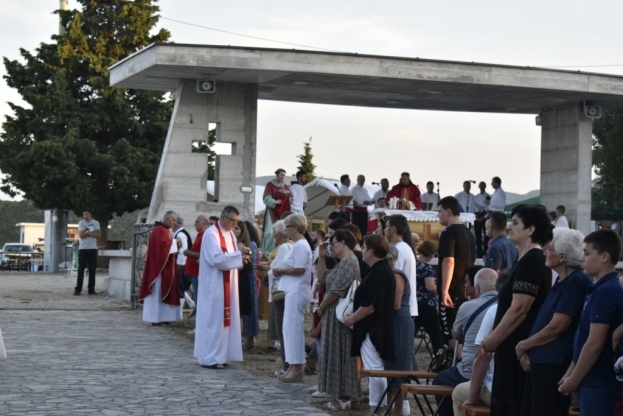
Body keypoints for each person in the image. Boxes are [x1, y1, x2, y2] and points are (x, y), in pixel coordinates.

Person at [480, 205, 553, 416]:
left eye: (515, 223)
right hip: (511, 347)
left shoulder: (532, 261)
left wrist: (494, 338)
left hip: (516, 347)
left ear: (530, 230)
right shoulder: (526, 259)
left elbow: (520, 308)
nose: (510, 227)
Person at [514, 228, 592, 416]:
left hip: (554, 364)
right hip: (542, 362)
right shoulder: (562, 281)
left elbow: (557, 326)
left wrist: (524, 345)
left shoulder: (576, 281)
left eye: (551, 250)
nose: (546, 252)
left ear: (563, 256)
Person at [559, 229, 623, 414]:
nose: (581, 259)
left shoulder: (607, 292)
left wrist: (574, 379)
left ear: (604, 257)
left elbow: (595, 342)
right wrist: (569, 373)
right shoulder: (599, 289)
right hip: (591, 380)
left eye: (586, 253)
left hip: (598, 382)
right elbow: (584, 338)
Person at [433, 268, 498, 416]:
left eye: (467, 283)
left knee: (440, 379)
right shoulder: (506, 306)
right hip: (494, 374)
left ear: (478, 288)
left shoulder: (467, 306)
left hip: (472, 372)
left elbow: (456, 335)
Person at [194, 206, 252, 369]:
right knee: (214, 319)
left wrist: (242, 257)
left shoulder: (230, 235)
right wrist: (238, 256)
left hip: (229, 283)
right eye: (232, 220)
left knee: (226, 319)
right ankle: (210, 357)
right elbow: (217, 259)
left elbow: (232, 257)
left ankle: (222, 355)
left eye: (236, 221)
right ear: (223, 217)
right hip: (214, 284)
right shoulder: (211, 234)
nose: (235, 224)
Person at [344, 234, 396, 415]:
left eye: (364, 247)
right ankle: (377, 407)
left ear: (371, 251)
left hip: (373, 328)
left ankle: (377, 408)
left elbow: (371, 306)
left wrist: (352, 319)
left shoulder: (379, 273)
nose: (362, 250)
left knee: (374, 369)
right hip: (373, 325)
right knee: (373, 367)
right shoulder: (379, 270)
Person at [315, 229, 360, 411]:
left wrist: (322, 306)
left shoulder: (350, 262)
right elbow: (322, 278)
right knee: (335, 353)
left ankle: (344, 396)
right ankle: (345, 395)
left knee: (340, 355)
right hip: (335, 315)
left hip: (340, 316)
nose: (331, 247)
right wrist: (322, 256)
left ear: (343, 243)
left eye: (333, 243)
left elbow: (336, 291)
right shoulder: (342, 263)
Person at [272, 214, 313, 382]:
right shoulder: (298, 245)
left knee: (293, 329)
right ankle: (292, 366)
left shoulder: (301, 245)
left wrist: (281, 270)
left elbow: (300, 269)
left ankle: (297, 367)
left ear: (295, 228)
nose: (286, 230)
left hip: (297, 290)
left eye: (288, 227)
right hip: (292, 290)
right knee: (288, 329)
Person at [254, 220, 292, 377]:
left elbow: (279, 269)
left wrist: (269, 271)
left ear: (278, 233)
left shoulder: (284, 247)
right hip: (285, 291)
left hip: (280, 291)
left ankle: (286, 364)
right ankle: (287, 363)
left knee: (283, 329)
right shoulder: (290, 245)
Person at [437, 196, 477, 344]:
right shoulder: (468, 233)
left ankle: (458, 364)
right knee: (461, 333)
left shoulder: (448, 232)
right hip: (464, 289)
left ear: (448, 211)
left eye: (439, 211)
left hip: (452, 291)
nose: (438, 215)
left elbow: (449, 262)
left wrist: (444, 290)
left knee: (450, 335)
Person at [384, 244, 415, 416]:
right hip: (394, 322)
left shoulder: (397, 276)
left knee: (398, 368)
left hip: (399, 323)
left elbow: (395, 304)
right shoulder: (390, 275)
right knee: (391, 369)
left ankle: (397, 410)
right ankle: (391, 409)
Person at [139, 211, 182, 325]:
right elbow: (163, 246)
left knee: (164, 291)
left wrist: (174, 243)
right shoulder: (159, 230)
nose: (174, 223)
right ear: (166, 218)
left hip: (165, 266)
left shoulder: (164, 230)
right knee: (157, 292)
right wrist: (175, 241)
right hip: (158, 268)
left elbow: (166, 245)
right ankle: (155, 317)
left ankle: (163, 316)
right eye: (173, 220)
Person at [183, 215, 210, 323]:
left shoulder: (205, 236)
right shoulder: (199, 235)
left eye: (197, 222)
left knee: (199, 298)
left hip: (197, 272)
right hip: (192, 272)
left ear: (203, 223)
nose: (194, 224)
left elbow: (203, 254)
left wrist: (189, 253)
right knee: (196, 297)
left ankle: (200, 324)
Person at [262, 168, 292, 257]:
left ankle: (277, 252)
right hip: (272, 212)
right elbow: (266, 198)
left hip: (283, 211)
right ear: (277, 175)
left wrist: (288, 199)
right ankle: (267, 252)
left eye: (284, 175)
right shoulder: (270, 185)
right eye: (281, 175)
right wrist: (274, 202)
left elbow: (291, 197)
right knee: (270, 232)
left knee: (281, 232)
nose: (283, 177)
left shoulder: (285, 186)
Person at [240, 220, 261, 350]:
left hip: (248, 277)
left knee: (250, 308)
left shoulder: (251, 244)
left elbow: (251, 264)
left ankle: (251, 337)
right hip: (241, 277)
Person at [75, 210, 101, 296]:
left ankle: (91, 289)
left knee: (92, 269)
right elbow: (81, 235)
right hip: (83, 249)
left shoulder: (95, 223)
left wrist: (87, 233)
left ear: (90, 214)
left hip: (92, 248)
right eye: (84, 214)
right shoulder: (81, 223)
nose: (85, 216)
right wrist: (91, 233)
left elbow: (98, 234)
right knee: (81, 269)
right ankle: (78, 289)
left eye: (87, 214)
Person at [172, 217, 194, 309]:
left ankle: (189, 305)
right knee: (181, 287)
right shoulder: (181, 233)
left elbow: (183, 250)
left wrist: (179, 264)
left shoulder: (180, 234)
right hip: (183, 264)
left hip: (182, 265)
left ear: (176, 224)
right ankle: (192, 304)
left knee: (180, 287)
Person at [473, 181, 490, 258]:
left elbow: (489, 208)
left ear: (485, 186)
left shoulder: (488, 196)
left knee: (487, 235)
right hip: (477, 218)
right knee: (478, 236)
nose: (482, 187)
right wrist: (476, 217)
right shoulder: (476, 197)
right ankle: (479, 253)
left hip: (485, 218)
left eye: (483, 185)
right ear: (479, 187)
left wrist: (484, 217)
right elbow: (474, 207)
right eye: (481, 185)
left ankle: (486, 252)